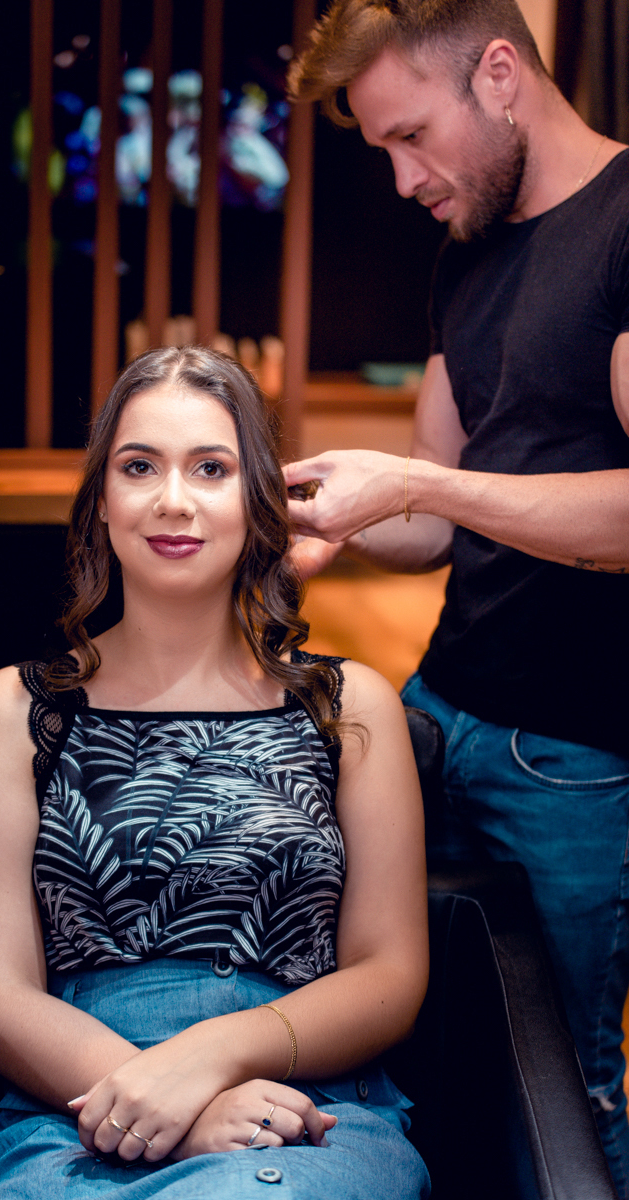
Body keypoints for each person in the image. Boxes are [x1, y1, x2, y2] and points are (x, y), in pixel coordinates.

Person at [0, 345, 431, 1200]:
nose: (174, 501)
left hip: (302, 1111)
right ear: (101, 500)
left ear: (258, 502)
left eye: (211, 468)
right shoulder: (13, 712)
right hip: (77, 1112)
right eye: (139, 467)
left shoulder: (349, 706)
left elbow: (390, 976)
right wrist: (163, 1101)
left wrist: (211, 1058)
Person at [283, 0, 629, 1192]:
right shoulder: (468, 254)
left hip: (578, 756)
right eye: (380, 148)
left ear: (499, 73)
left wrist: (421, 480)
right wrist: (340, 519)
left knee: (561, 1090)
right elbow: (436, 524)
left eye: (411, 136)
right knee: (416, 1052)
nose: (399, 178)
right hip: (442, 710)